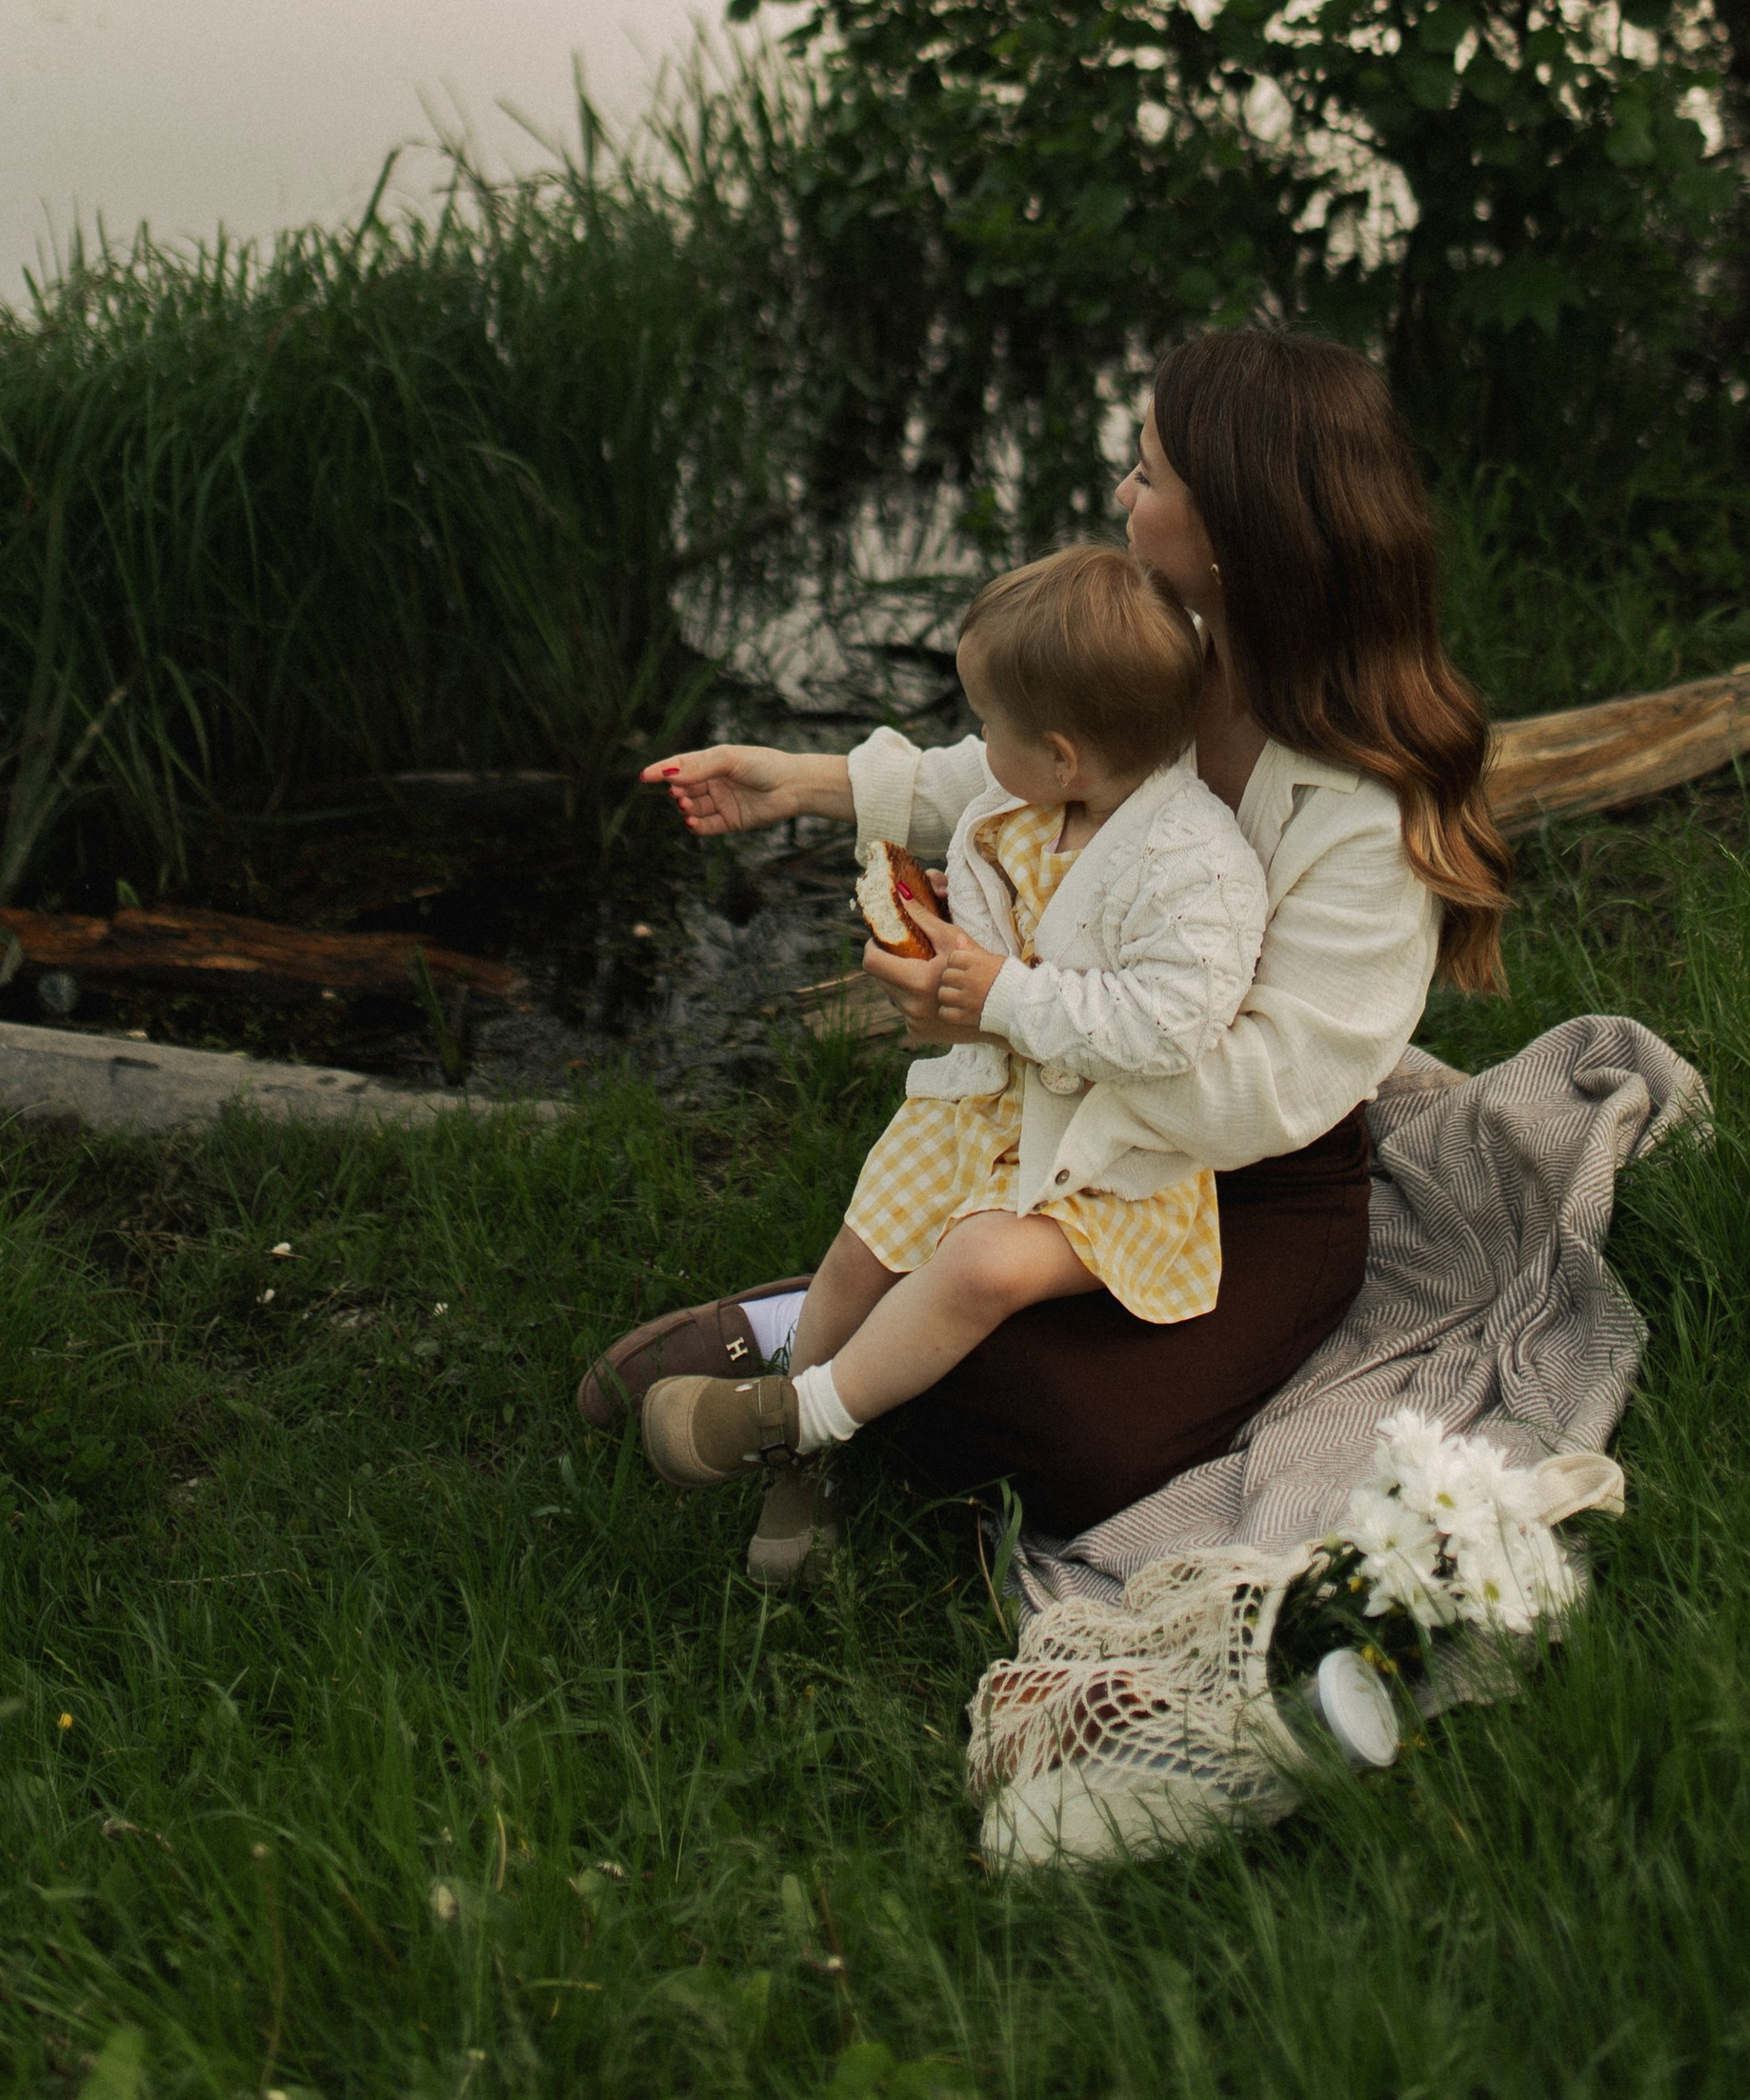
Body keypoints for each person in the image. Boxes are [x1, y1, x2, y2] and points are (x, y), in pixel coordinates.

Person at [605, 330, 1511, 1574]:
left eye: (1147, 477)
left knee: (1081, 1448)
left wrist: (1008, 1015)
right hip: (1060, 1124)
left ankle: (807, 1342)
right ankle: (815, 1334)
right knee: (978, 1349)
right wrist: (805, 784)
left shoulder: (1362, 803)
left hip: (1256, 1186)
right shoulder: (1176, 658)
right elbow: (1026, 767)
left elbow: (1264, 1091)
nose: (1121, 496)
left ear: (1235, 535)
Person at [637, 546, 1276, 1576]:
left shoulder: (1194, 867)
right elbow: (1009, 928)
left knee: (977, 1263)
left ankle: (794, 1422)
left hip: (1107, 1152)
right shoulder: (1012, 818)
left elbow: (1169, 1027)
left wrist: (1002, 993)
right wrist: (935, 926)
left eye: (986, 726)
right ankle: (805, 1457)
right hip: (988, 1106)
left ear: (1063, 756)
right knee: (860, 1255)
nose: (975, 747)